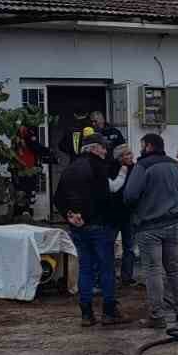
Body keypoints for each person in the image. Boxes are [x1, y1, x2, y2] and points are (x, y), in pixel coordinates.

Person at [52, 129, 129, 326]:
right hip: (99, 226)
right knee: (106, 269)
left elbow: (58, 197)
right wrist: (122, 172)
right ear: (95, 148)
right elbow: (106, 195)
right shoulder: (98, 167)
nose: (106, 152)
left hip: (78, 228)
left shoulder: (70, 168)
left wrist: (70, 215)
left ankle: (86, 313)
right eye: (104, 148)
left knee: (85, 269)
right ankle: (109, 312)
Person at [122, 133, 178, 330]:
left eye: (142, 145)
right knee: (175, 268)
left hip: (149, 226)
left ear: (149, 146)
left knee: (153, 270)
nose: (140, 149)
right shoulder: (176, 165)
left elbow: (130, 195)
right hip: (174, 224)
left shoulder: (143, 166)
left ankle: (157, 315)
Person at [113, 142, 139, 286]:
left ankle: (127, 277)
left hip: (129, 214)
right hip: (115, 214)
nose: (131, 156)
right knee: (111, 246)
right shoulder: (113, 169)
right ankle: (110, 275)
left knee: (129, 247)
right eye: (127, 154)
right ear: (119, 157)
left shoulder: (136, 170)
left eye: (131, 153)